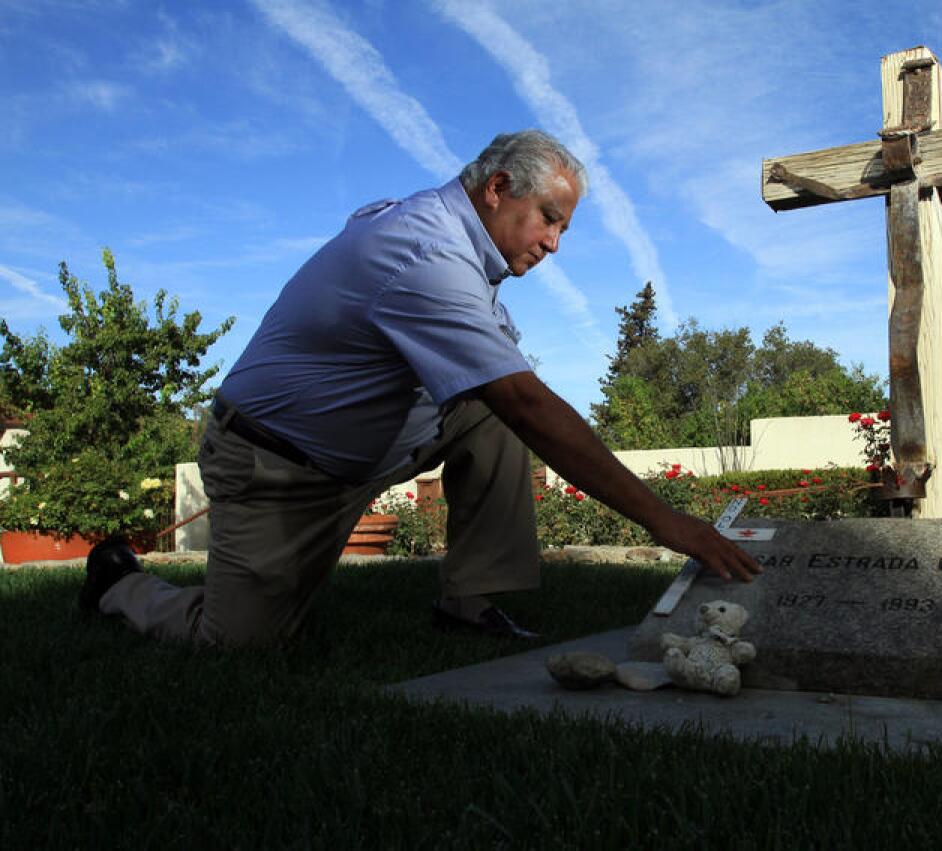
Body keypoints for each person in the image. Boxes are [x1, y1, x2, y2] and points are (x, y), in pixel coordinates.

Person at [80, 129, 761, 644]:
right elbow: (527, 403)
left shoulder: (461, 254)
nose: (555, 243)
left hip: (369, 453)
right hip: (277, 465)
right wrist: (668, 521)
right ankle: (119, 582)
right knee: (235, 642)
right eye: (549, 217)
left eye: (564, 226)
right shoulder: (427, 255)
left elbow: (508, 397)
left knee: (493, 407)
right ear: (497, 188)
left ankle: (468, 601)